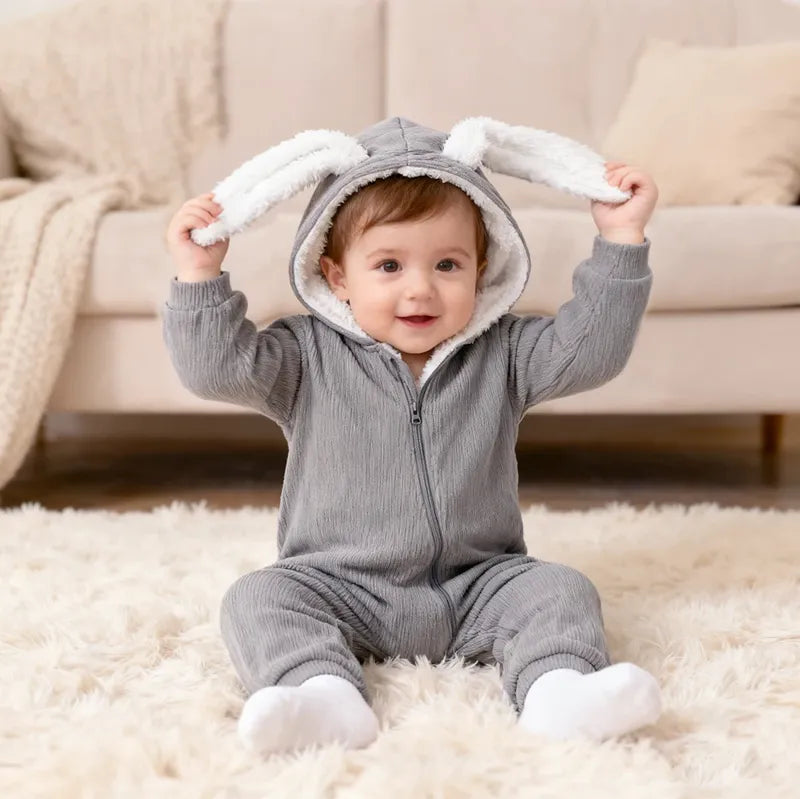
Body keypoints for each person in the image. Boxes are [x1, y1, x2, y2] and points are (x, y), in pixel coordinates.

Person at [162, 116, 662, 756]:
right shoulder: (304, 356)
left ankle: (559, 691)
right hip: (338, 584)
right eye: (389, 264)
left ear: (483, 271)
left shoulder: (504, 353)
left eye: (448, 264)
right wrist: (199, 275)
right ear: (338, 275)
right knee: (258, 598)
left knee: (561, 590)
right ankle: (323, 697)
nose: (420, 289)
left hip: (480, 581)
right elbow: (215, 370)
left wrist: (621, 238)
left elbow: (591, 353)